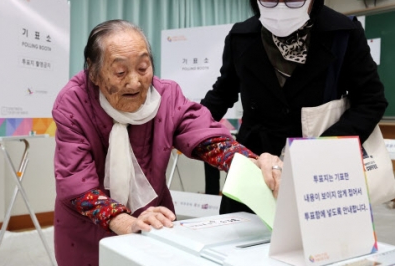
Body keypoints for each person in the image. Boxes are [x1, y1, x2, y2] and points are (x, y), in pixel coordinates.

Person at [52, 19, 283, 266]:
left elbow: (207, 137)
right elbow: (75, 180)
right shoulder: (73, 104)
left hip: (154, 222)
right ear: (93, 71)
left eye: (143, 68)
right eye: (120, 72)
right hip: (87, 231)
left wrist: (252, 162)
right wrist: (126, 221)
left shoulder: (166, 96)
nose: (135, 82)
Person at [201, 0, 388, 214]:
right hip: (255, 164)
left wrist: (320, 149)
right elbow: (222, 94)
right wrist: (187, 125)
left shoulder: (343, 33)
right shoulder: (241, 35)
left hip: (318, 167)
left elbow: (371, 100)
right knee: (237, 239)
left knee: (314, 243)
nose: (281, 7)